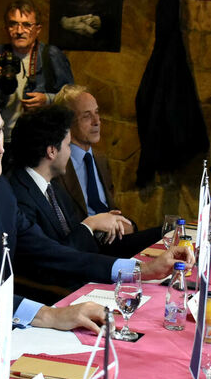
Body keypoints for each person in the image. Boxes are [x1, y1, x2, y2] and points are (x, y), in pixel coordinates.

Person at [0, 83, 188, 350]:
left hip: (2, 325)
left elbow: (46, 251)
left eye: (0, 131)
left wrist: (137, 270)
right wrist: (47, 315)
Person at [6, 104, 130, 257]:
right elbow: (51, 258)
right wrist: (90, 224)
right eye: (68, 145)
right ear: (52, 151)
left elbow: (74, 237)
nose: (70, 152)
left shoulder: (54, 188)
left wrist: (100, 226)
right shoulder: (17, 196)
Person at [53, 84, 162, 256]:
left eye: (97, 112)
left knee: (171, 231)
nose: (97, 121)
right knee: (165, 234)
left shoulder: (101, 159)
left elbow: (111, 208)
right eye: (87, 116)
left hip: (113, 239)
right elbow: (63, 223)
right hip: (86, 248)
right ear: (67, 122)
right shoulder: (57, 164)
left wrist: (127, 224)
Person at [0, 0, 73, 138]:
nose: (19, 31)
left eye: (27, 25)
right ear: (6, 28)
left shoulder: (51, 55)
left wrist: (47, 100)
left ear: (38, 29)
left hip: (39, 138)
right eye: (13, 24)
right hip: (0, 137)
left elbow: (73, 98)